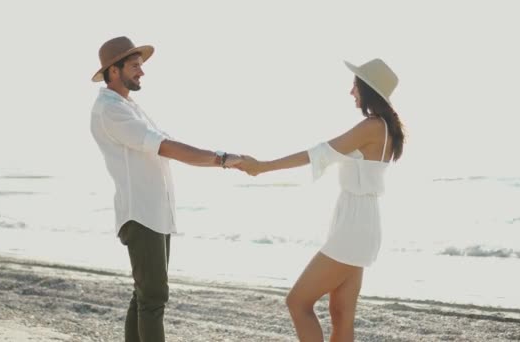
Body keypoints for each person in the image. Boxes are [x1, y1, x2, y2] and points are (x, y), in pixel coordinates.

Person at [238, 59, 405, 341]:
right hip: (362, 224)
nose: (351, 92)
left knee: (298, 302)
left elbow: (319, 153)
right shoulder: (385, 128)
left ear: (368, 90)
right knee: (341, 314)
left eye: (355, 86)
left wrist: (263, 166)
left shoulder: (372, 127)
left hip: (353, 227)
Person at [89, 36, 241, 342]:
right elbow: (165, 146)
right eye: (134, 66)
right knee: (153, 298)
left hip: (152, 213)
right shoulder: (111, 110)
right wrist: (221, 159)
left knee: (145, 296)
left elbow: (164, 144)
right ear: (114, 71)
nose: (141, 72)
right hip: (141, 213)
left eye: (141, 66)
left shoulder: (128, 107)